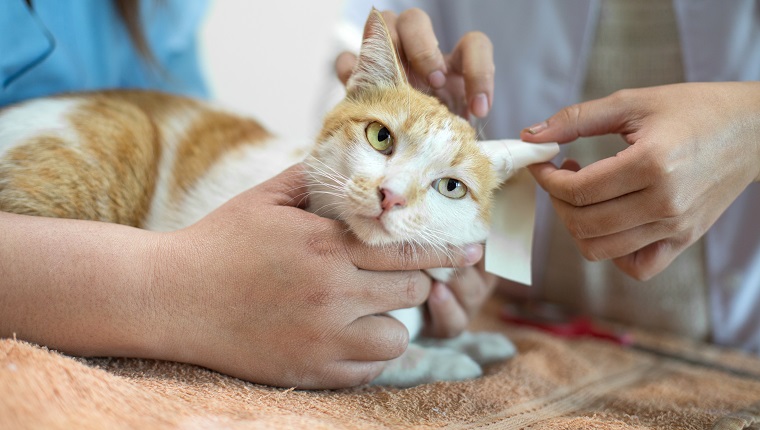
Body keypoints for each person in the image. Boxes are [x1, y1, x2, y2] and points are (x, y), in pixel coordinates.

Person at [0, 0, 485, 389]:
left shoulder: (161, 11)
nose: (392, 191)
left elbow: (188, 110)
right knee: (111, 154)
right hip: (72, 169)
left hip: (145, 147)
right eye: (381, 139)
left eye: (448, 185)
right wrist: (175, 287)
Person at [333, 0, 760, 351]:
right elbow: (349, 65)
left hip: (735, 343)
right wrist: (399, 79)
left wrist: (750, 127)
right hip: (508, 314)